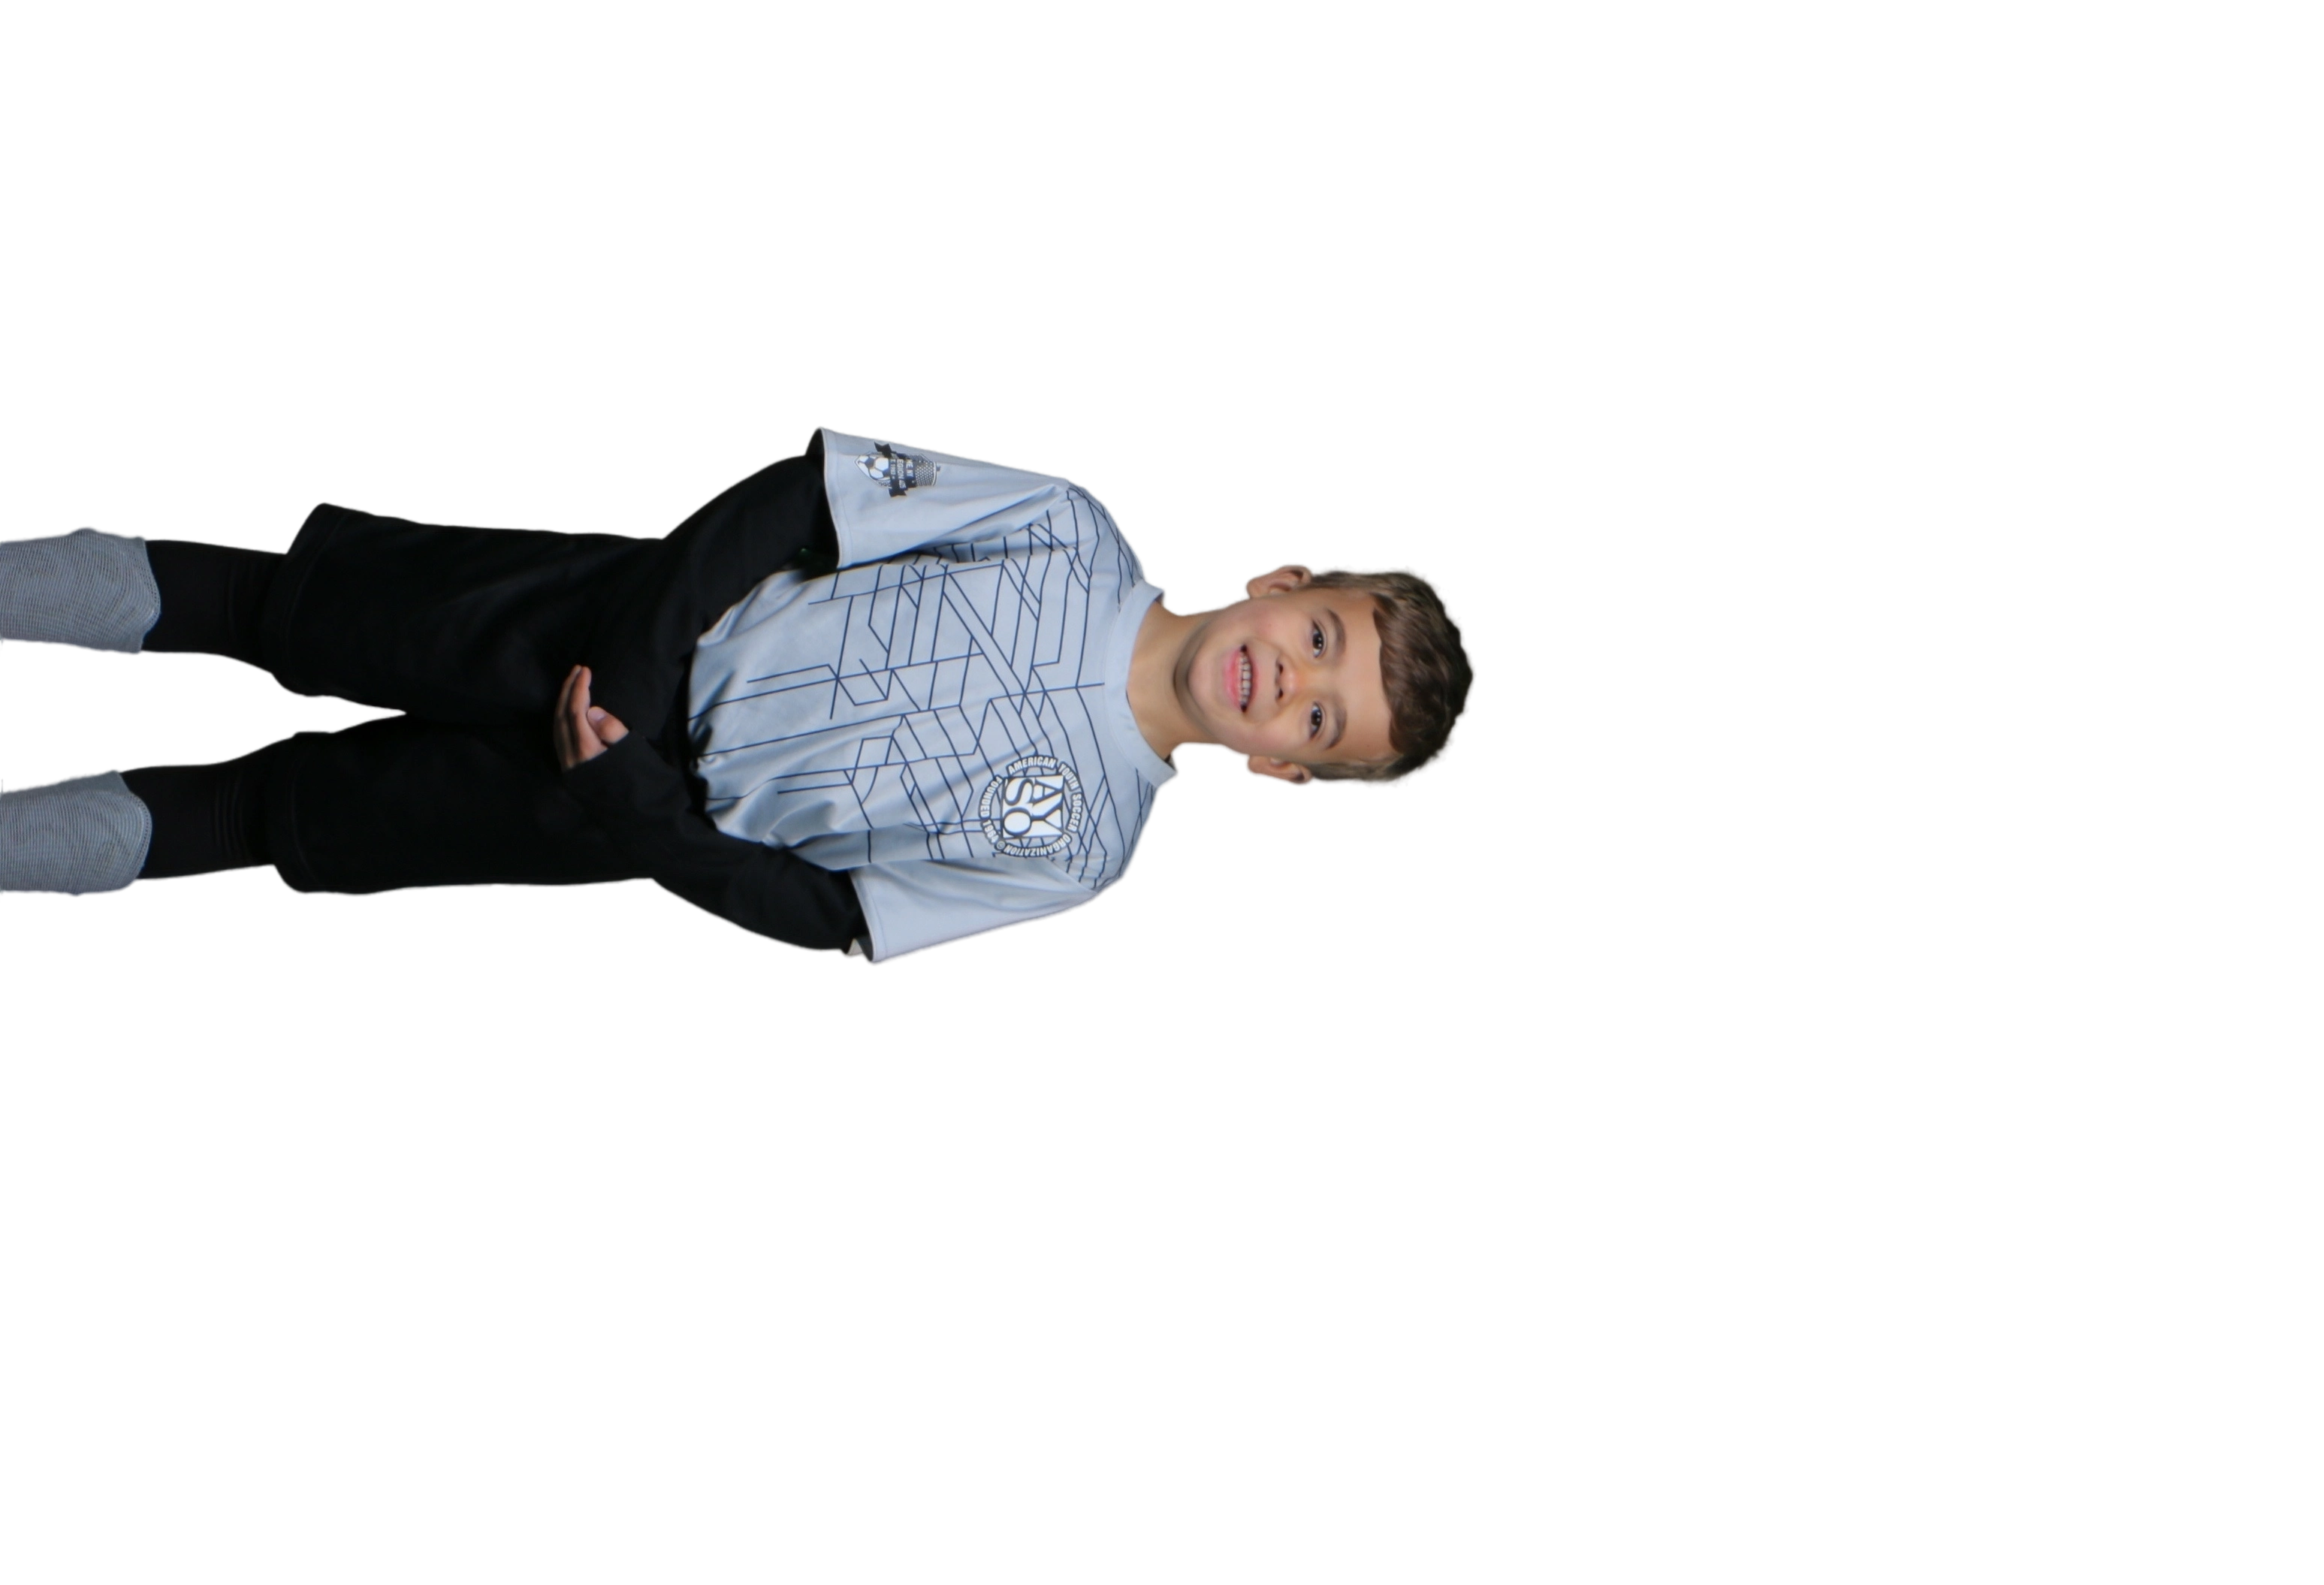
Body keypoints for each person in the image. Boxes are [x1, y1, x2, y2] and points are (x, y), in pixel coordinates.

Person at [0, 424, 1480, 965]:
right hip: (609, 622)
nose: (1290, 679)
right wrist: (641, 659)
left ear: (1285, 772)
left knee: (262, 815)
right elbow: (806, 496)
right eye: (1322, 635)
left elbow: (831, 914)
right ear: (1287, 578)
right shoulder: (1066, 525)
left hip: (611, 808)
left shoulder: (1081, 850)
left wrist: (633, 802)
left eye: (1318, 717)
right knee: (265, 606)